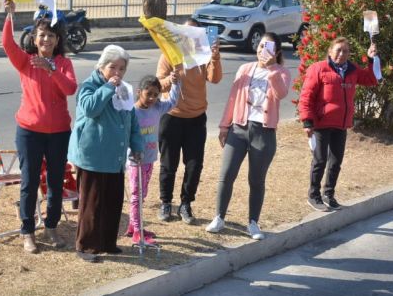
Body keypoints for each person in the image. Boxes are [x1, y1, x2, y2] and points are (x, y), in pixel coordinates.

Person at [2, 0, 77, 254]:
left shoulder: (64, 64)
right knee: (29, 181)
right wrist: (10, 16)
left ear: (58, 40)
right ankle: (27, 232)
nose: (46, 40)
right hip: (29, 132)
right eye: (42, 35)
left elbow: (70, 89)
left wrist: (52, 69)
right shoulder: (26, 62)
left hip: (58, 133)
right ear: (35, 38)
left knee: (55, 182)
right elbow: (7, 44)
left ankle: (52, 227)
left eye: (51, 36)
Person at [205, 33, 291, 239]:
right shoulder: (245, 69)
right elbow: (233, 97)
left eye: (268, 47)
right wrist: (225, 125)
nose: (263, 50)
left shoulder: (282, 72)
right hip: (239, 128)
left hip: (264, 131)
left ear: (276, 52)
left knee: (256, 179)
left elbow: (281, 93)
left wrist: (271, 69)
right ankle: (219, 217)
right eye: (261, 46)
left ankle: (253, 222)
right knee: (226, 174)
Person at [68, 45, 143, 262]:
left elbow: (132, 120)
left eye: (122, 68)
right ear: (102, 66)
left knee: (113, 201)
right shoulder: (89, 86)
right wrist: (108, 87)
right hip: (93, 155)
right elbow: (91, 108)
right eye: (113, 67)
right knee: (92, 204)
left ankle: (108, 243)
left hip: (115, 156)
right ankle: (86, 246)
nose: (117, 72)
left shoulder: (125, 89)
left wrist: (136, 144)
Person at [299, 37, 378, 212]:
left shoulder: (352, 69)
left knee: (336, 161)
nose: (341, 54)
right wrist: (307, 121)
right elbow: (306, 96)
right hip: (321, 123)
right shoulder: (318, 69)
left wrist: (372, 59)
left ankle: (329, 194)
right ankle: (314, 195)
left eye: (345, 51)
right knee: (320, 160)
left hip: (341, 124)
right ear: (330, 51)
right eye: (338, 50)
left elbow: (372, 79)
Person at [156, 18, 222, 224]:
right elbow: (159, 84)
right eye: (186, 32)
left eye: (194, 33)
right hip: (172, 117)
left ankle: (186, 204)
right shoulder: (169, 54)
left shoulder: (203, 56)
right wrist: (170, 80)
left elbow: (215, 78)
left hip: (196, 119)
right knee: (169, 164)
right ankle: (166, 202)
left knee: (194, 165)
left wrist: (215, 57)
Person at [125, 74, 181, 245]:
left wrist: (176, 83)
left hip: (149, 160)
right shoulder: (131, 112)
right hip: (135, 162)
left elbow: (172, 102)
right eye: (148, 93)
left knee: (142, 194)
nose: (151, 98)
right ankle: (138, 230)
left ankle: (132, 227)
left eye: (155, 95)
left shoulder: (157, 108)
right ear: (139, 91)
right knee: (136, 195)